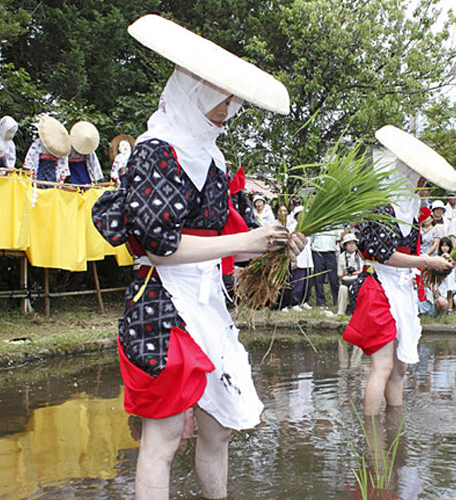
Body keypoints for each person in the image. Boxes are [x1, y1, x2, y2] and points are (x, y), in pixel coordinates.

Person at [90, 15, 304, 500]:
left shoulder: (214, 161)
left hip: (205, 303)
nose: (228, 108)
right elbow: (159, 245)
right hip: (162, 307)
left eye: (232, 100)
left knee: (218, 428)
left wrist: (275, 243)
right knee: (162, 438)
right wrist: (244, 242)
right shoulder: (156, 152)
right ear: (191, 90)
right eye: (219, 97)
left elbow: (234, 236)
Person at [343, 124, 456, 417]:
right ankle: (373, 438)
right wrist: (428, 262)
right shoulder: (383, 206)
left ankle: (394, 430)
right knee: (383, 364)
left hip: (401, 286)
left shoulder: (411, 209)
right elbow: (385, 255)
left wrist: (434, 266)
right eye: (422, 179)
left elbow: (408, 253)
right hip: (378, 285)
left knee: (401, 365)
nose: (426, 187)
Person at [24, 116, 70, 185]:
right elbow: (30, 160)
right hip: (40, 168)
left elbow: (63, 163)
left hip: (53, 170)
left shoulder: (61, 146)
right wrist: (32, 174)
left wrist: (61, 179)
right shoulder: (39, 142)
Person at [288, 206, 314, 310]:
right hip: (298, 258)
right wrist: (293, 260)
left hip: (308, 258)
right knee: (298, 281)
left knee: (307, 282)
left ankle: (304, 300)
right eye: (300, 215)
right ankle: (295, 302)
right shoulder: (292, 228)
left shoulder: (309, 227)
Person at [311, 227, 340, 311]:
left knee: (333, 278)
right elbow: (311, 240)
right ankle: (320, 302)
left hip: (330, 252)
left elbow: (338, 238)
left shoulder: (334, 225)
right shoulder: (317, 224)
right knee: (318, 278)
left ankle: (337, 300)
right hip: (317, 252)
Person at [66, 121, 103, 185]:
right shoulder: (68, 145)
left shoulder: (88, 148)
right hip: (72, 166)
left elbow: (93, 163)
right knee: (76, 183)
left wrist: (94, 179)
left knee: (85, 182)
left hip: (83, 166)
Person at [337, 233, 362, 315]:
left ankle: (355, 312)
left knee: (354, 289)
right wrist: (344, 273)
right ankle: (341, 312)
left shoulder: (360, 256)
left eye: (353, 243)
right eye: (349, 244)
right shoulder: (341, 257)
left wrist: (358, 272)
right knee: (342, 289)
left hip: (357, 280)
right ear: (345, 245)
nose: (351, 246)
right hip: (346, 280)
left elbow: (365, 271)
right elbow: (339, 275)